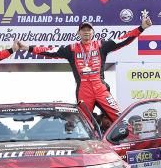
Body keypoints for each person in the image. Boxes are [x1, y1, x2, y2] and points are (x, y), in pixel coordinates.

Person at [21, 15, 153, 123]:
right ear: (78, 33)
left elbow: (123, 40)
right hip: (84, 90)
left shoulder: (101, 45)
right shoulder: (71, 49)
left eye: (89, 30)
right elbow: (49, 51)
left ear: (93, 32)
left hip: (100, 88)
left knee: (119, 118)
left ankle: (131, 140)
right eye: (83, 30)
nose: (86, 32)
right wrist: (27, 48)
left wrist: (141, 28)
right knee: (83, 123)